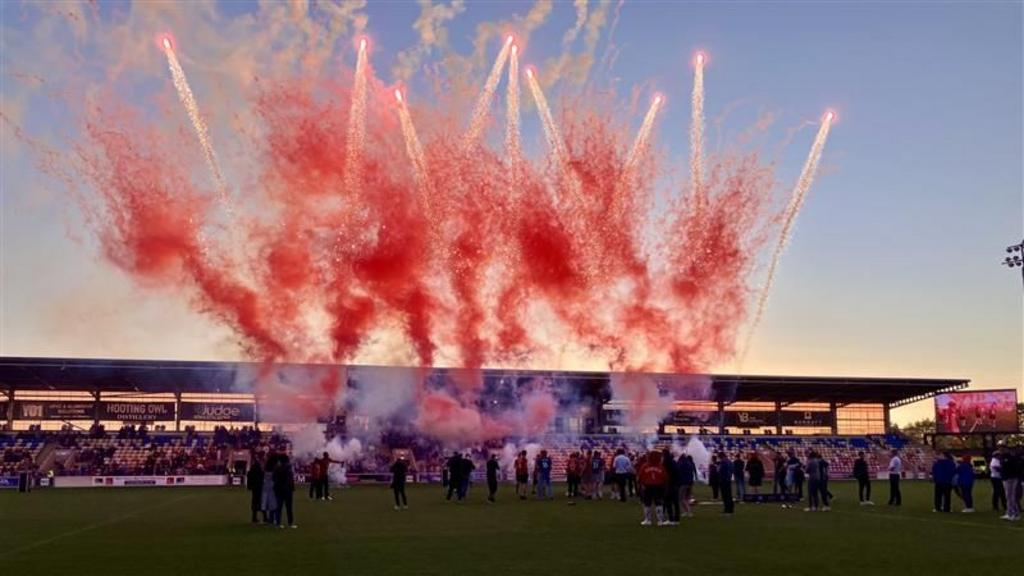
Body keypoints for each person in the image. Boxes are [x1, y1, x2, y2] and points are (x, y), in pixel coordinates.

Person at [638, 451, 668, 526]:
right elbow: (665, 477)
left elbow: (640, 476)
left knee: (647, 504)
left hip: (647, 486)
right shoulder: (661, 466)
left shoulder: (645, 466)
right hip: (659, 486)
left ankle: (648, 520)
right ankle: (660, 521)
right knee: (659, 503)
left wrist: (641, 484)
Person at [273, 455, 297, 528]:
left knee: (279, 507)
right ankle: (290, 523)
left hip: (279, 490)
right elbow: (290, 480)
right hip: (287, 490)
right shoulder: (288, 468)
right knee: (289, 507)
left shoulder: (277, 468)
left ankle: (278, 523)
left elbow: (274, 478)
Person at [1001, 447, 1021, 521]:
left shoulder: (1010, 458)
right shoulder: (1009, 457)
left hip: (1010, 478)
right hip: (1009, 478)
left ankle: (1014, 514)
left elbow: (1005, 466)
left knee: (1011, 497)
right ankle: (1009, 512)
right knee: (1009, 497)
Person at [662, 450, 681, 524]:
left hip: (669, 484)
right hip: (676, 484)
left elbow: (664, 473)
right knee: (676, 502)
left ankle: (671, 519)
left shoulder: (666, 462)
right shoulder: (674, 462)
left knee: (668, 502)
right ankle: (677, 519)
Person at [261, 455, 278, 525]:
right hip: (272, 488)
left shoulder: (265, 468)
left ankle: (265, 518)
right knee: (272, 504)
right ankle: (271, 519)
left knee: (264, 504)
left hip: (265, 487)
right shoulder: (274, 469)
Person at [246, 457, 264, 524]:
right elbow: (262, 478)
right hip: (259, 488)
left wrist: (249, 487)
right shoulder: (260, 471)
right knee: (261, 503)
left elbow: (249, 478)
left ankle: (254, 518)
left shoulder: (251, 471)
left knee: (255, 503)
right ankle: (265, 518)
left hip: (254, 489)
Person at [678, 454, 696, 518]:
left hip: (684, 483)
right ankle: (686, 512)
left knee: (681, 498)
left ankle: (688, 512)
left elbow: (679, 473)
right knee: (686, 498)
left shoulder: (681, 464)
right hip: (690, 482)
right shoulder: (689, 463)